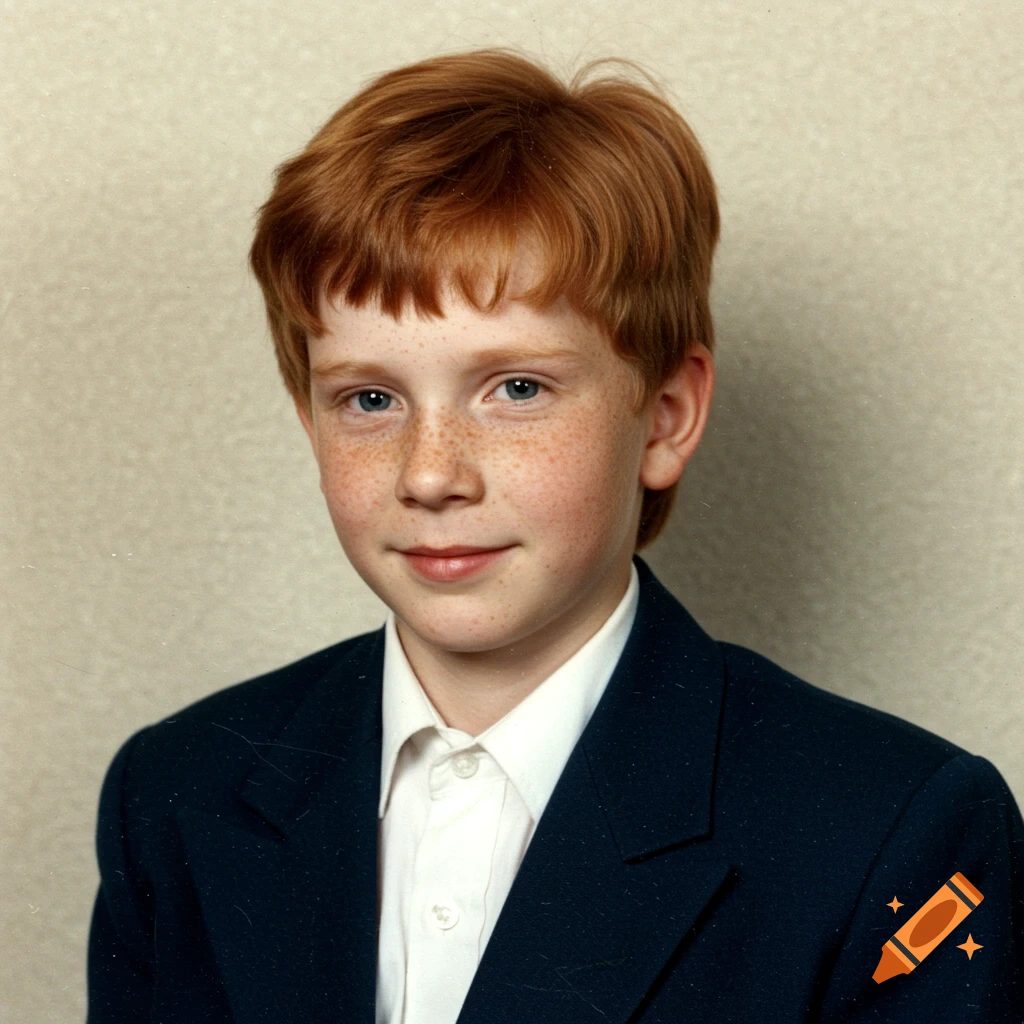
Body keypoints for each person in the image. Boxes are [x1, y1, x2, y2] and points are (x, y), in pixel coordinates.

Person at [86, 46, 1023, 1023]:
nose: (429, 472)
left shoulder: (891, 828)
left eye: (517, 389)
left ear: (663, 416)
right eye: (369, 397)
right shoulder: (178, 791)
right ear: (306, 417)